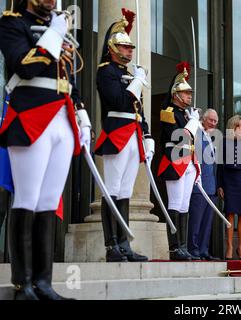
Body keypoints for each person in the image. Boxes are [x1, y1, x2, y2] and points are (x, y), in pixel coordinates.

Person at [0, 0, 92, 299]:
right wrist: (53, 33)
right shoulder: (12, 22)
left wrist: (81, 112)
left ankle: (43, 282)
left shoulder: (57, 26)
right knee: (27, 197)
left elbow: (67, 76)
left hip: (61, 117)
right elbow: (25, 67)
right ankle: (21, 284)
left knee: (50, 200)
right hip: (31, 114)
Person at [95, 10, 154, 263]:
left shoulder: (130, 74)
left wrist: (148, 134)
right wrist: (137, 82)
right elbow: (118, 101)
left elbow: (138, 109)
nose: (130, 50)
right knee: (112, 190)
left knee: (125, 191)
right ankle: (112, 247)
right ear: (112, 47)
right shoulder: (106, 72)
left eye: (131, 47)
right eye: (124, 46)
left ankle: (124, 244)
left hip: (133, 134)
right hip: (116, 133)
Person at [158, 62, 201, 261]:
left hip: (188, 161)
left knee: (185, 205)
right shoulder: (168, 112)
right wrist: (193, 122)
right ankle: (175, 248)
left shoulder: (184, 114)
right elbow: (179, 137)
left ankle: (183, 247)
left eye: (190, 93)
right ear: (176, 94)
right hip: (175, 160)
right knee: (175, 204)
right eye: (186, 93)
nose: (189, 96)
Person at [217, 115, 241, 260]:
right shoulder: (223, 143)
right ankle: (229, 247)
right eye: (237, 126)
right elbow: (219, 167)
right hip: (228, 181)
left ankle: (240, 247)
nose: (239, 129)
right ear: (231, 128)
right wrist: (219, 185)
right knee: (229, 214)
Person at [188, 109, 220, 261]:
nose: (213, 123)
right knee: (196, 220)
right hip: (199, 185)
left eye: (215, 121)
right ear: (204, 119)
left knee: (207, 222)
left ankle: (203, 249)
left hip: (211, 187)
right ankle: (193, 249)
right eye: (211, 120)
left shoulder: (213, 138)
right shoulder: (197, 133)